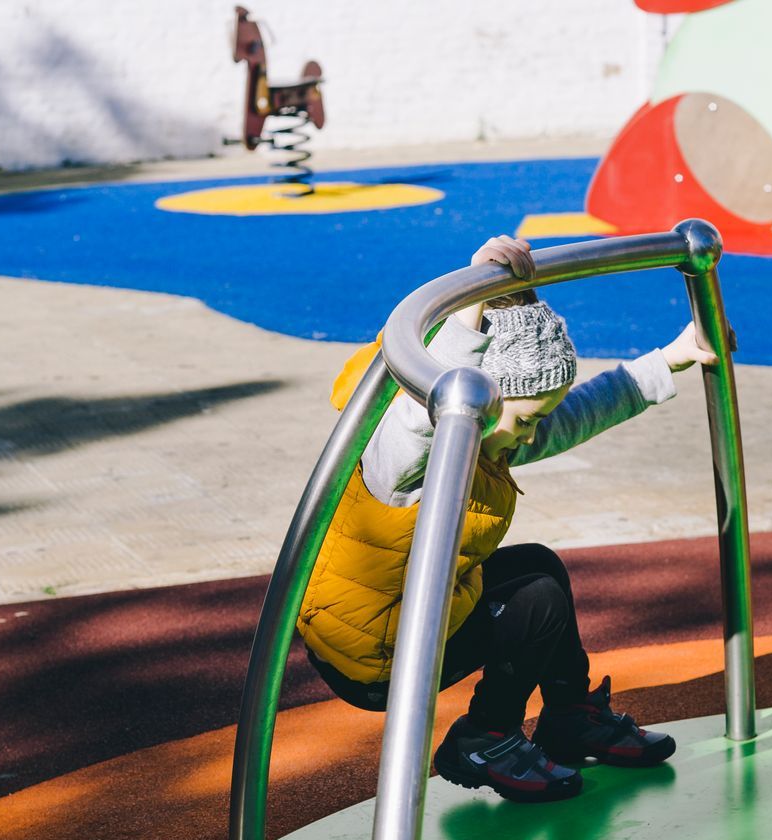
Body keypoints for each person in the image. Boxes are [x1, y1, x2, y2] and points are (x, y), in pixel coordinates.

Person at [298, 235, 718, 802]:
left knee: (538, 565)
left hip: (411, 612)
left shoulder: (486, 436)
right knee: (535, 600)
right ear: (473, 396)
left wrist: (669, 359)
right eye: (524, 420)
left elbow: (575, 416)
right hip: (375, 655)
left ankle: (570, 716)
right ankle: (486, 736)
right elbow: (430, 399)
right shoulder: (402, 453)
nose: (530, 435)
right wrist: (471, 293)